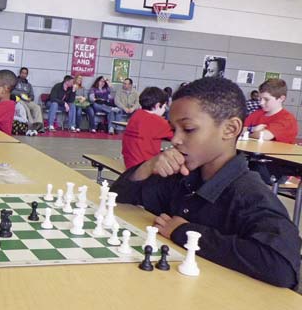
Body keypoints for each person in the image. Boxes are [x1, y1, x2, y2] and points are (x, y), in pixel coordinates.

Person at [111, 77, 300, 289]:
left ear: (230, 129)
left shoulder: (249, 195)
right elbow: (116, 200)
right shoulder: (180, 177)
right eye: (174, 130)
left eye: (188, 129)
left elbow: (282, 267)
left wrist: (185, 232)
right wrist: (148, 166)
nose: (175, 140)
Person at [121, 87, 173, 169]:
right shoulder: (158, 121)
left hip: (129, 163)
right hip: (144, 167)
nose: (164, 110)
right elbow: (177, 135)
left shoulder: (135, 115)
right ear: (157, 105)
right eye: (164, 107)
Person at [244, 79, 298, 144]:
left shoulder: (287, 119)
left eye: (266, 99)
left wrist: (247, 134)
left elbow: (264, 136)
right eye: (260, 99)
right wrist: (252, 129)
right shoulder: (257, 113)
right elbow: (241, 130)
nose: (261, 103)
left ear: (281, 99)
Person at [13, 67, 44, 134]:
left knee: (37, 107)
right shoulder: (14, 81)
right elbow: (11, 91)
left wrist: (30, 98)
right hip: (18, 100)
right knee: (26, 108)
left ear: (27, 75)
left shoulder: (29, 85)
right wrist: (20, 94)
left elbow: (32, 95)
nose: (23, 75)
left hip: (27, 100)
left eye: (25, 73)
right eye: (22, 73)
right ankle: (31, 126)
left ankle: (38, 126)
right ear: (20, 73)